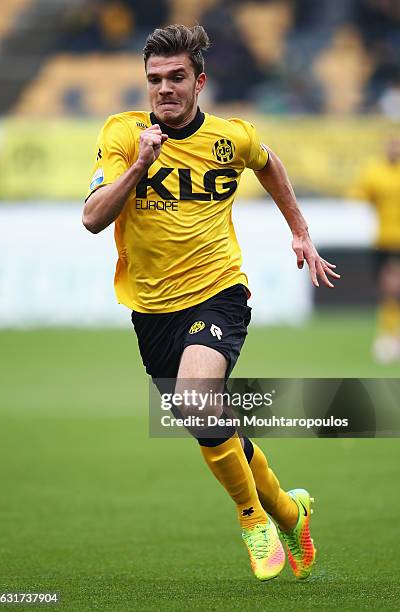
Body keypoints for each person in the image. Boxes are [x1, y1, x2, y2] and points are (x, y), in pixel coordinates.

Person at [83, 24, 339, 582]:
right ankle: (291, 512)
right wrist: (140, 165)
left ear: (199, 82)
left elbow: (269, 164)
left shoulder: (231, 138)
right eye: (155, 79)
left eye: (177, 78)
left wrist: (299, 230)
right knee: (209, 423)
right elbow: (93, 219)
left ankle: (252, 519)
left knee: (200, 400)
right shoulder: (124, 134)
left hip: (219, 291)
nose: (164, 89)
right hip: (151, 310)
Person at [350, 137, 400, 363]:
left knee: (392, 287)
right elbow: (360, 195)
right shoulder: (375, 172)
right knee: (388, 290)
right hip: (384, 239)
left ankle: (389, 338)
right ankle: (388, 336)